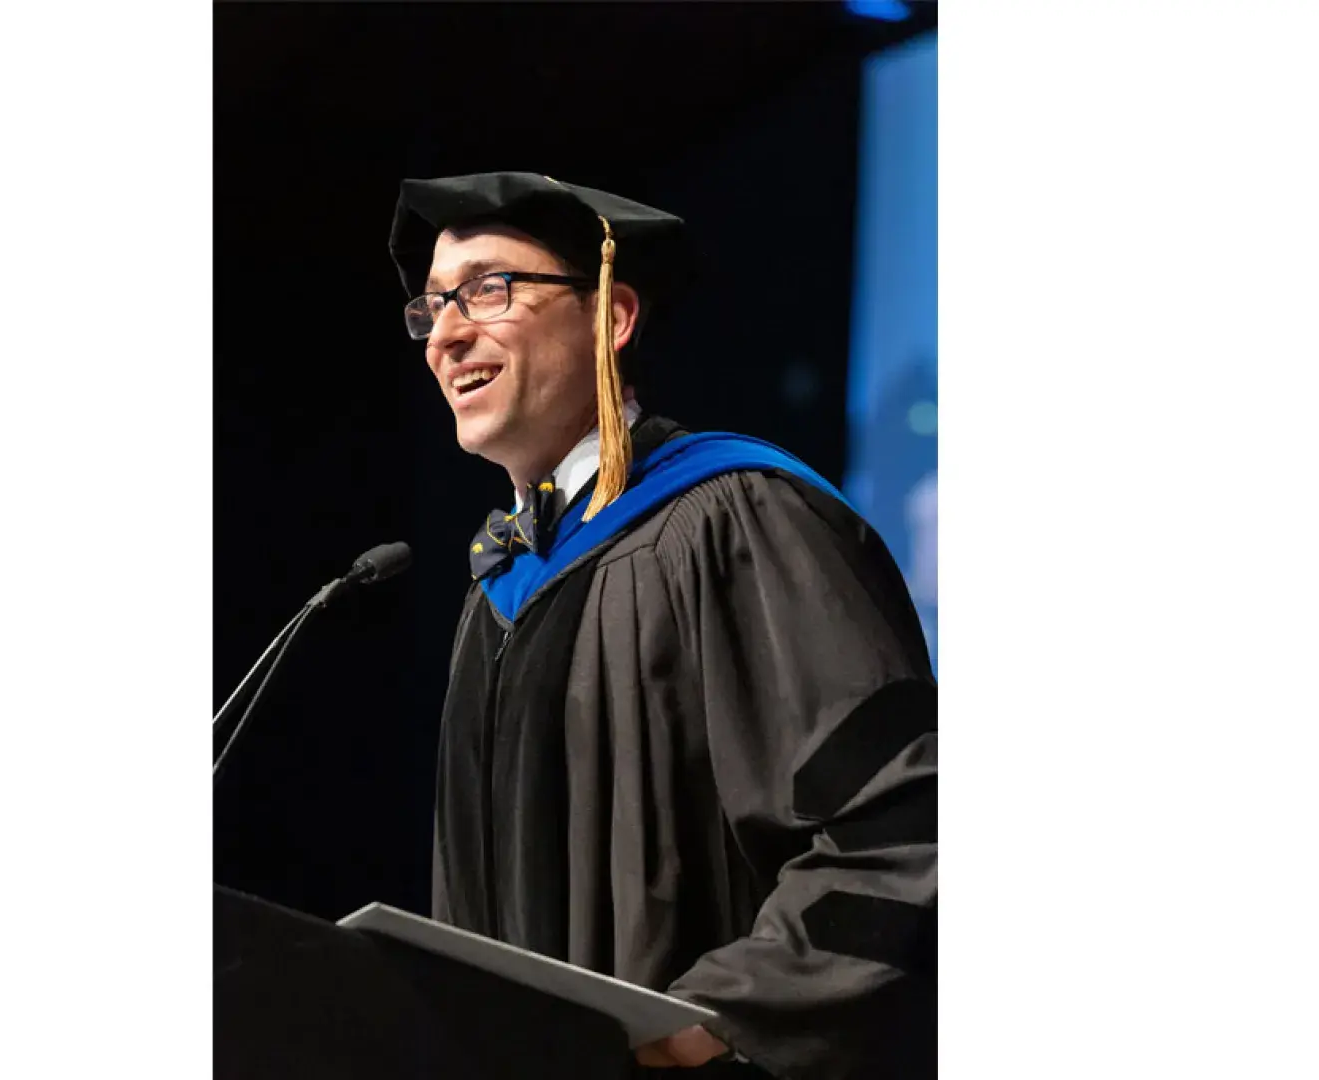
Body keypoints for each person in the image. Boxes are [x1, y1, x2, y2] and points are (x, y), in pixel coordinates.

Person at [389, 172, 937, 1079]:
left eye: (489, 289)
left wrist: (716, 1022)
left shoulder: (736, 520)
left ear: (611, 319)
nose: (446, 333)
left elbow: (906, 825)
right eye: (432, 306)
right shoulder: (500, 584)